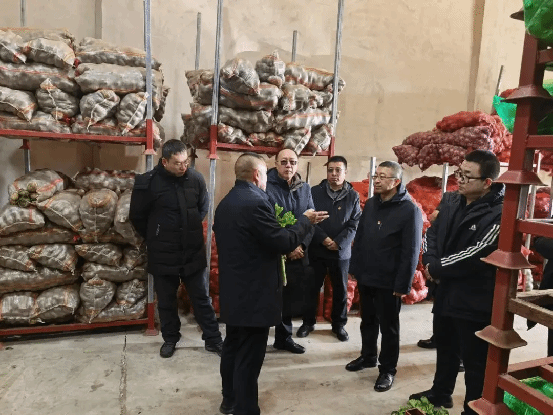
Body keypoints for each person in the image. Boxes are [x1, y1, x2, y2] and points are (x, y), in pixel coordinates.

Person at [214, 153, 328, 415]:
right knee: (250, 356)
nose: (267, 179)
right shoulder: (255, 203)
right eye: (266, 173)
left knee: (232, 346)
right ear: (257, 175)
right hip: (254, 294)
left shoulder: (226, 202)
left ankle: (229, 399)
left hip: (234, 290)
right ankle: (246, 408)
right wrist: (305, 221)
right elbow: (283, 241)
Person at [409, 150, 504, 415]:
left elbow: (479, 252)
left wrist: (438, 268)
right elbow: (432, 234)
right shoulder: (451, 200)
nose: (459, 180)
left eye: (467, 176)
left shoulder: (500, 212)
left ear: (487, 182)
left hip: (474, 298)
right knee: (445, 347)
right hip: (446, 291)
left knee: (474, 361)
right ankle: (440, 393)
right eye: (459, 173)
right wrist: (429, 262)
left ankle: (472, 409)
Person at [129, 139, 223, 358]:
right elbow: (137, 216)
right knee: (166, 300)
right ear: (164, 162)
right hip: (163, 252)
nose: (183, 167)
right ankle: (170, 339)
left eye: (185, 162)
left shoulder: (196, 179)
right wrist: (157, 234)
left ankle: (213, 339)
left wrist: (189, 227)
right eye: (178, 163)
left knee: (201, 298)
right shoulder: (148, 182)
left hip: (192, 250)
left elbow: (202, 207)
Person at [347, 161, 423, 393]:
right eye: (376, 176)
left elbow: (411, 251)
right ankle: (368, 356)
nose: (377, 181)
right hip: (367, 276)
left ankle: (388, 369)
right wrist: (355, 267)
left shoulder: (410, 211)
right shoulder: (372, 204)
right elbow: (360, 238)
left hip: (389, 281)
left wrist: (403, 284)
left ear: (396, 182)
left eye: (382, 177)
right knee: (367, 321)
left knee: (389, 328)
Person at [298, 156, 362, 341]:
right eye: (330, 170)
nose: (334, 174)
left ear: (345, 172)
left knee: (340, 290)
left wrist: (339, 242)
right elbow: (309, 218)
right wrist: (324, 239)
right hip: (317, 250)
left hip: (341, 252)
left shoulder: (353, 196)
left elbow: (354, 223)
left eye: (338, 170)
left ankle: (338, 325)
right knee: (311, 288)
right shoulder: (315, 192)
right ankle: (308, 322)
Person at [265, 148, 315, 354]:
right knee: (269, 297)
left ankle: (284, 338)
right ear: (276, 163)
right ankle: (258, 339)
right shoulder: (266, 186)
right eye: (284, 161)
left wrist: (301, 246)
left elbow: (311, 220)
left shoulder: (305, 188)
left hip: (298, 253)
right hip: (274, 252)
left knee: (289, 298)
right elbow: (266, 222)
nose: (289, 166)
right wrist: (284, 247)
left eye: (293, 162)